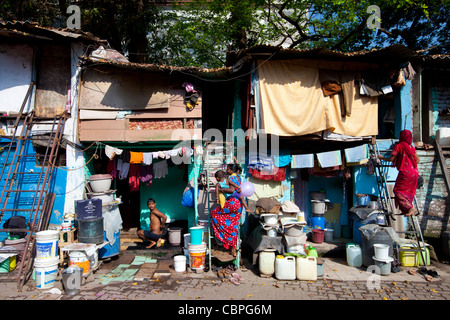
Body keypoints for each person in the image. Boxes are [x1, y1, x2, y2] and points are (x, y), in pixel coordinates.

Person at [378, 130, 420, 217]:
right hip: (414, 172)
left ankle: (410, 207)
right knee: (407, 191)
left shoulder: (399, 146)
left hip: (405, 172)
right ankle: (405, 210)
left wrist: (382, 158)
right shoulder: (411, 147)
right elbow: (417, 159)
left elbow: (391, 159)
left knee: (398, 191)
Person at [210, 164, 245, 257]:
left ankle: (224, 238)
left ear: (217, 178)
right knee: (233, 226)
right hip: (238, 205)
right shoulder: (233, 178)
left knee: (214, 213)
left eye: (228, 169)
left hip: (231, 204)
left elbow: (231, 190)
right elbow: (236, 187)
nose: (227, 170)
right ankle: (233, 249)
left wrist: (220, 192)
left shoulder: (223, 183)